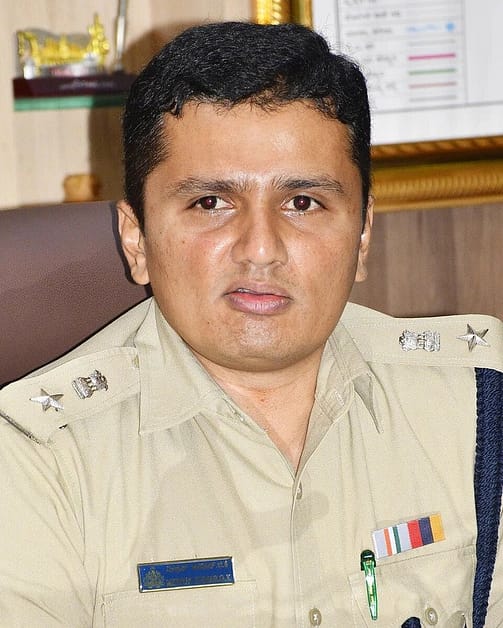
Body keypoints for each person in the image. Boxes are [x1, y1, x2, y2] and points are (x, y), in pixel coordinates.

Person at [0, 21, 502, 628]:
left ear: (363, 234)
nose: (261, 248)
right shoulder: (36, 459)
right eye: (210, 203)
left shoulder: (477, 402)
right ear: (136, 240)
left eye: (303, 203)